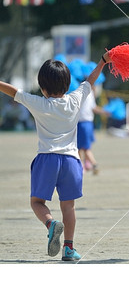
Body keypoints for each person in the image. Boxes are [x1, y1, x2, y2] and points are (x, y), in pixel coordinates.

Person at [0, 52, 110, 261]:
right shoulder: (75, 100)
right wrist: (103, 61)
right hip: (72, 161)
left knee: (37, 203)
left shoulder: (38, 103)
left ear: (42, 87)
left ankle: (51, 224)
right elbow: (91, 79)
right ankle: (69, 248)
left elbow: (13, 92)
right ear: (67, 85)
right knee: (68, 206)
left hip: (47, 159)